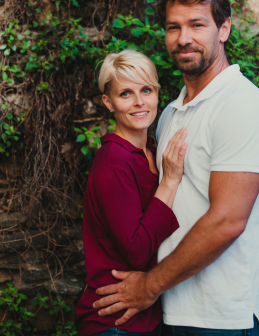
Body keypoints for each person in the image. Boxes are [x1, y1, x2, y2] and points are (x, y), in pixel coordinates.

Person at [92, 0, 259, 336]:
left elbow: (227, 220)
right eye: (173, 27)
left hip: (228, 315)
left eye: (197, 24)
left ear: (223, 29)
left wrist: (149, 286)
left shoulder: (240, 104)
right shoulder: (169, 113)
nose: (183, 38)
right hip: (176, 307)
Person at [75, 49, 189, 336]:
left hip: (144, 318)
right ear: (108, 102)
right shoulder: (114, 161)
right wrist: (170, 181)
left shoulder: (151, 149)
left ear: (157, 93)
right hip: (112, 322)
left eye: (146, 90)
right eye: (125, 94)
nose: (140, 102)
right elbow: (137, 252)